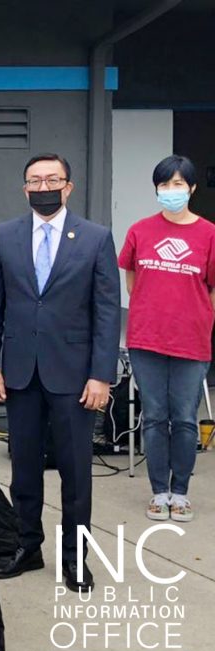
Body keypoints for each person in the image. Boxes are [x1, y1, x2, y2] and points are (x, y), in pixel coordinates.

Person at [0, 153, 119, 590]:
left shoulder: (96, 239)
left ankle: (75, 559)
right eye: (35, 180)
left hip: (76, 376)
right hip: (19, 372)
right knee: (23, 469)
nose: (44, 187)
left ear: (68, 186)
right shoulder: (5, 235)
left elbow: (106, 312)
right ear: (24, 188)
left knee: (76, 473)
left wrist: (102, 374)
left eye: (52, 179)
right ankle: (27, 546)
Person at [119, 155, 215, 523]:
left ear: (191, 188)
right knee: (155, 417)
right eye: (164, 185)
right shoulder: (141, 230)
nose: (171, 191)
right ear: (156, 189)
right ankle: (160, 492)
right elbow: (132, 277)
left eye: (178, 184)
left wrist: (199, 320)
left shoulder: (208, 233)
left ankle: (182, 492)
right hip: (147, 340)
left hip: (191, 341)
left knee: (186, 418)